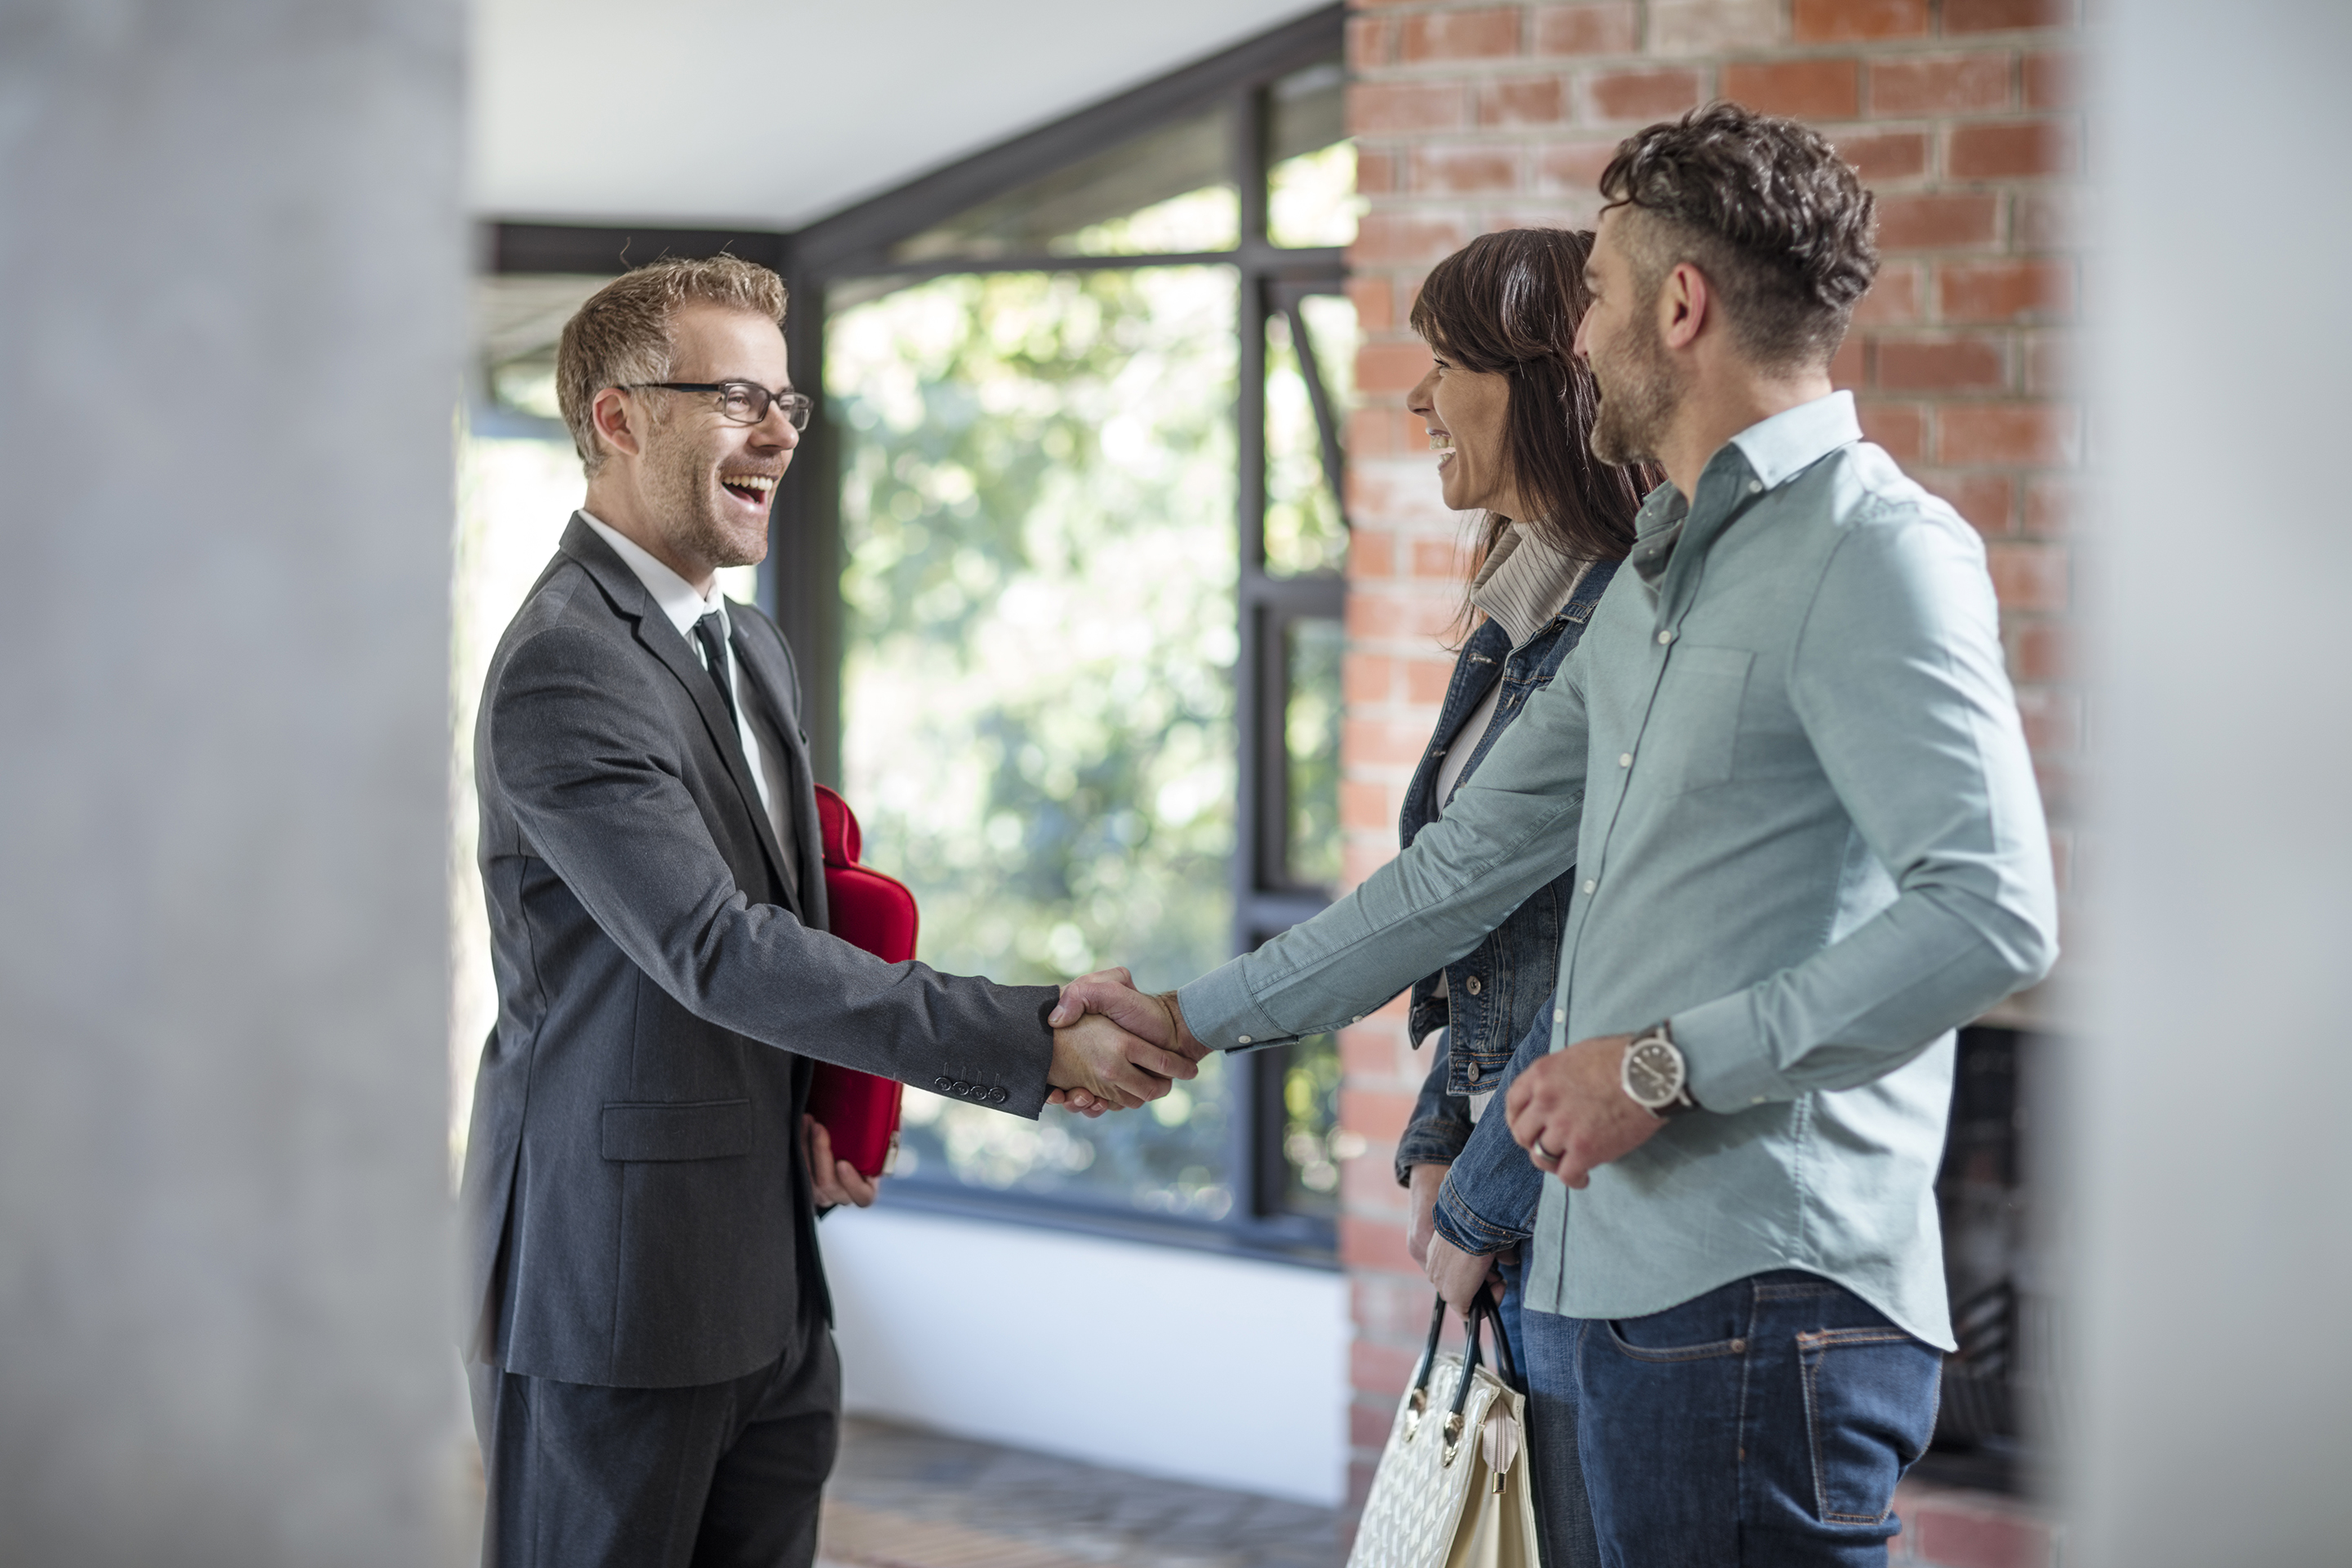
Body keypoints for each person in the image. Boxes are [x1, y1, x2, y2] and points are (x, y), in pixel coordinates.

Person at [1057, 102, 2056, 1566]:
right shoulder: (1657, 578)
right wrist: (1191, 1019)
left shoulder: (1875, 551)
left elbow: (1990, 915)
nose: (1575, 336)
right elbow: (1458, 875)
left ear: (1679, 305)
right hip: (1608, 1291)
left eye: (1591, 294)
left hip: (1765, 1303)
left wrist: (1663, 1066)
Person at [460, 255, 1187, 1568]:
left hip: (769, 1273)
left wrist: (820, 1107)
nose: (782, 430)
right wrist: (1030, 1035)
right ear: (618, 418)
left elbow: (790, 915)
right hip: (617, 1290)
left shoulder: (749, 645)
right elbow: (717, 951)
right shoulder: (565, 666)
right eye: (738, 395)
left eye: (789, 400)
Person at [1387, 228, 1658, 1568]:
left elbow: (1608, 948)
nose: (1418, 400)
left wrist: (1480, 1200)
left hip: (1576, 1209)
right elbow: (1471, 915)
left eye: (1444, 364)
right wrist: (1440, 1132)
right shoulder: (1512, 614)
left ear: (1543, 386)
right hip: (1511, 1200)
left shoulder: (1627, 615)